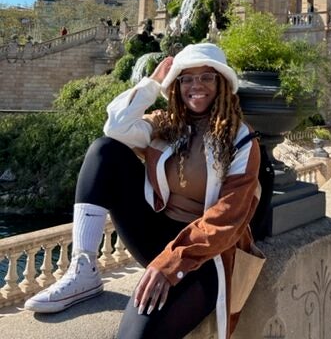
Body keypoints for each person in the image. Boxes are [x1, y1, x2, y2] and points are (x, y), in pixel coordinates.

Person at [24, 43, 261, 339]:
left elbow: (227, 220)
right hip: (158, 237)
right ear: (175, 85)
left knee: (136, 336)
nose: (195, 86)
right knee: (105, 151)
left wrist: (169, 263)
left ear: (222, 83)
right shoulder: (166, 124)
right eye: (186, 78)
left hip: (206, 257)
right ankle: (84, 268)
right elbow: (116, 126)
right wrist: (151, 84)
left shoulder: (241, 139)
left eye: (206, 77)